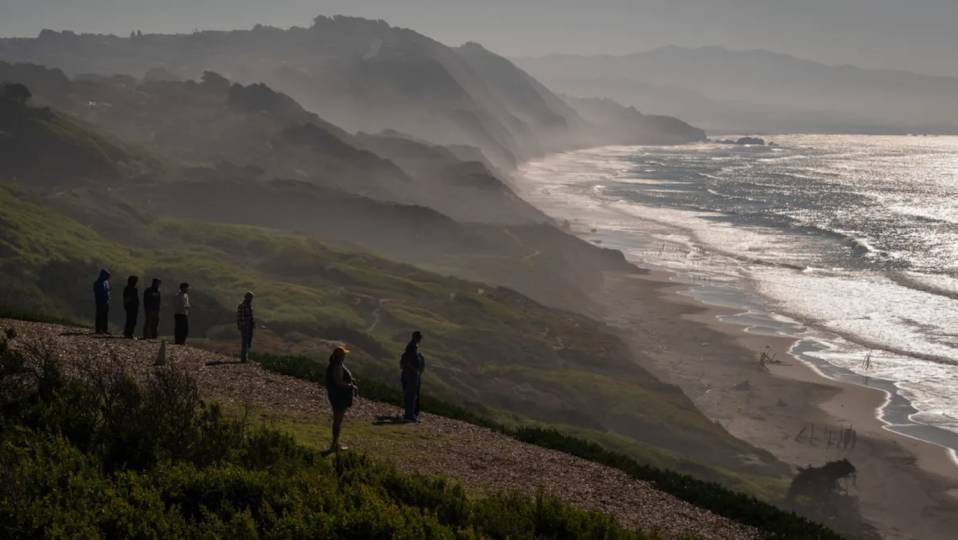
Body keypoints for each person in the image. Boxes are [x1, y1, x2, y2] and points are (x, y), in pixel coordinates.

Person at [325, 346, 357, 452]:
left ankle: (335, 443)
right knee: (338, 421)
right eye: (344, 355)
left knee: (337, 420)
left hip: (336, 396)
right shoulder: (337, 366)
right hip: (339, 397)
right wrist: (350, 386)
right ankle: (334, 444)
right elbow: (339, 382)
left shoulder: (334, 364)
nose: (345, 356)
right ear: (341, 356)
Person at [400, 330, 425, 423]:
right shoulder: (411, 347)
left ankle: (410, 414)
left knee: (411, 395)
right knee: (411, 395)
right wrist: (414, 370)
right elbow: (408, 360)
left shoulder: (412, 346)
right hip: (411, 374)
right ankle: (409, 415)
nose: (420, 339)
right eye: (419, 337)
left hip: (410, 373)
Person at [236, 291, 254, 362]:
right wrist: (242, 326)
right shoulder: (242, 306)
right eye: (250, 298)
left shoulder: (249, 306)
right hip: (245, 326)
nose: (251, 299)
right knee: (245, 342)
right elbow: (240, 317)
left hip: (249, 326)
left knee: (248, 342)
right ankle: (243, 358)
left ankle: (245, 357)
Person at [92, 269, 111, 334]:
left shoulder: (106, 282)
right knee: (99, 315)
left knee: (105, 316)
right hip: (100, 302)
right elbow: (98, 293)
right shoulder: (97, 283)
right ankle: (98, 329)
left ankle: (104, 329)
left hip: (106, 301)